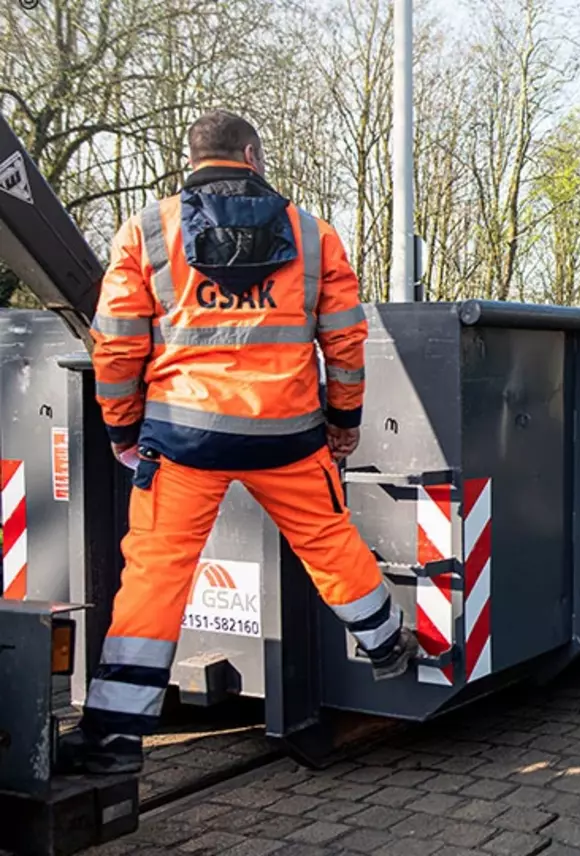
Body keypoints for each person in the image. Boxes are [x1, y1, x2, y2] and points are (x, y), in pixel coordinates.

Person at [58, 110, 417, 775]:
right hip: (288, 435)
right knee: (327, 540)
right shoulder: (313, 235)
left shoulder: (147, 232)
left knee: (156, 576)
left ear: (190, 159)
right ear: (251, 155)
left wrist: (121, 428)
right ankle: (388, 642)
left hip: (184, 438)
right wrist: (343, 422)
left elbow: (115, 345)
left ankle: (112, 739)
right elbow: (344, 341)